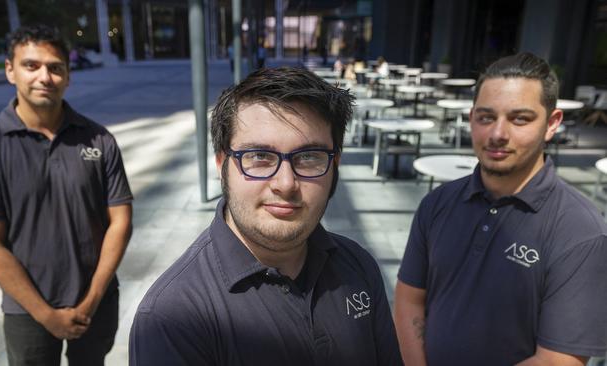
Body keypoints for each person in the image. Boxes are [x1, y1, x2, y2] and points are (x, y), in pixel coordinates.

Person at [129, 67, 403, 365]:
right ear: (222, 163)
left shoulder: (358, 266)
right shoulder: (173, 317)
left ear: (335, 164)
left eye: (309, 156)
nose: (285, 184)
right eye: (259, 156)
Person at [394, 52, 607, 365]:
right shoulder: (436, 204)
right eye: (486, 117)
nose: (497, 134)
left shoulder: (580, 230)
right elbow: (409, 299)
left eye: (520, 119)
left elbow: (557, 360)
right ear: (471, 119)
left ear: (551, 124)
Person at [0, 25, 133, 365]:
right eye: (31, 65)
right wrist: (45, 314)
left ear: (68, 76)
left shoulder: (98, 140)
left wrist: (92, 299)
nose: (45, 77)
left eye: (55, 68)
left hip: (96, 301)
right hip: (27, 309)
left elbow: (120, 222)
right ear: (10, 70)